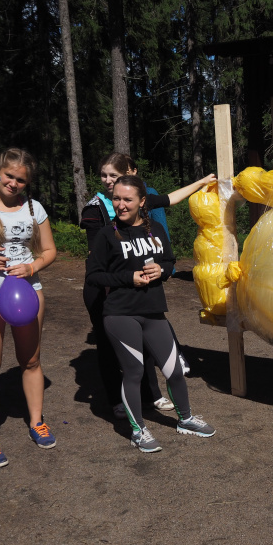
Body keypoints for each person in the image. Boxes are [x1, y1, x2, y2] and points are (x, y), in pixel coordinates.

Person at [85, 175, 215, 452]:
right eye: (116, 199)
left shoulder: (154, 228)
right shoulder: (107, 235)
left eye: (127, 199)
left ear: (142, 201)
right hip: (120, 314)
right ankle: (138, 430)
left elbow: (168, 261)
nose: (121, 205)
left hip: (154, 311)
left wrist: (162, 270)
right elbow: (94, 275)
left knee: (175, 370)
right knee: (134, 371)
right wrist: (127, 278)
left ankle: (186, 419)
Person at [0, 148, 58, 467]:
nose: (14, 183)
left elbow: (49, 251)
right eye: (9, 176)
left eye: (21, 179)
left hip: (27, 292)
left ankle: (36, 422)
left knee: (31, 360)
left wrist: (32, 268)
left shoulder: (34, 208)